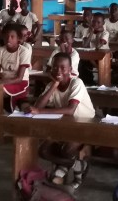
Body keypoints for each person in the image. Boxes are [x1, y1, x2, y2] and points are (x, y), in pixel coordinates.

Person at [28, 52, 96, 189]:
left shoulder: (77, 83)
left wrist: (40, 112)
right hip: (65, 125)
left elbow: (70, 110)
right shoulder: (52, 85)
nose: (58, 71)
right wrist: (54, 85)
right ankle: (78, 166)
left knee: (67, 149)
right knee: (43, 150)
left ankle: (69, 174)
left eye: (63, 68)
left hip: (85, 124)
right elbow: (37, 106)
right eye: (55, 67)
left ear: (70, 70)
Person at [0, 25, 32, 111]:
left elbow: (19, 78)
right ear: (2, 37)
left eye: (12, 36)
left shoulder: (24, 51)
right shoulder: (0, 51)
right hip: (3, 81)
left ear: (18, 38)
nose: (8, 39)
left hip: (20, 83)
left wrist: (1, 82)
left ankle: (1, 112)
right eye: (6, 36)